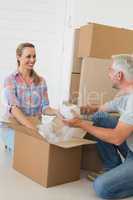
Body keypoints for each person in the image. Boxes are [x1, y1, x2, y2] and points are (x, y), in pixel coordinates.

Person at [63, 54, 133, 199]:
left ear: (119, 75)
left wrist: (81, 124)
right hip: (131, 147)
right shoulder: (126, 95)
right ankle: (113, 167)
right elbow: (100, 109)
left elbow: (117, 138)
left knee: (102, 187)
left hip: (124, 142)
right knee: (100, 118)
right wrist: (77, 110)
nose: (108, 74)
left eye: (110, 70)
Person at [3, 42, 59, 149]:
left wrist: (57, 112)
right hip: (16, 127)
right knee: (23, 153)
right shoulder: (10, 80)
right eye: (28, 56)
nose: (32, 60)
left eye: (34, 56)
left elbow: (45, 107)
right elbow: (14, 109)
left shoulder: (41, 81)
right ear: (18, 57)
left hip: (35, 126)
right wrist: (33, 130)